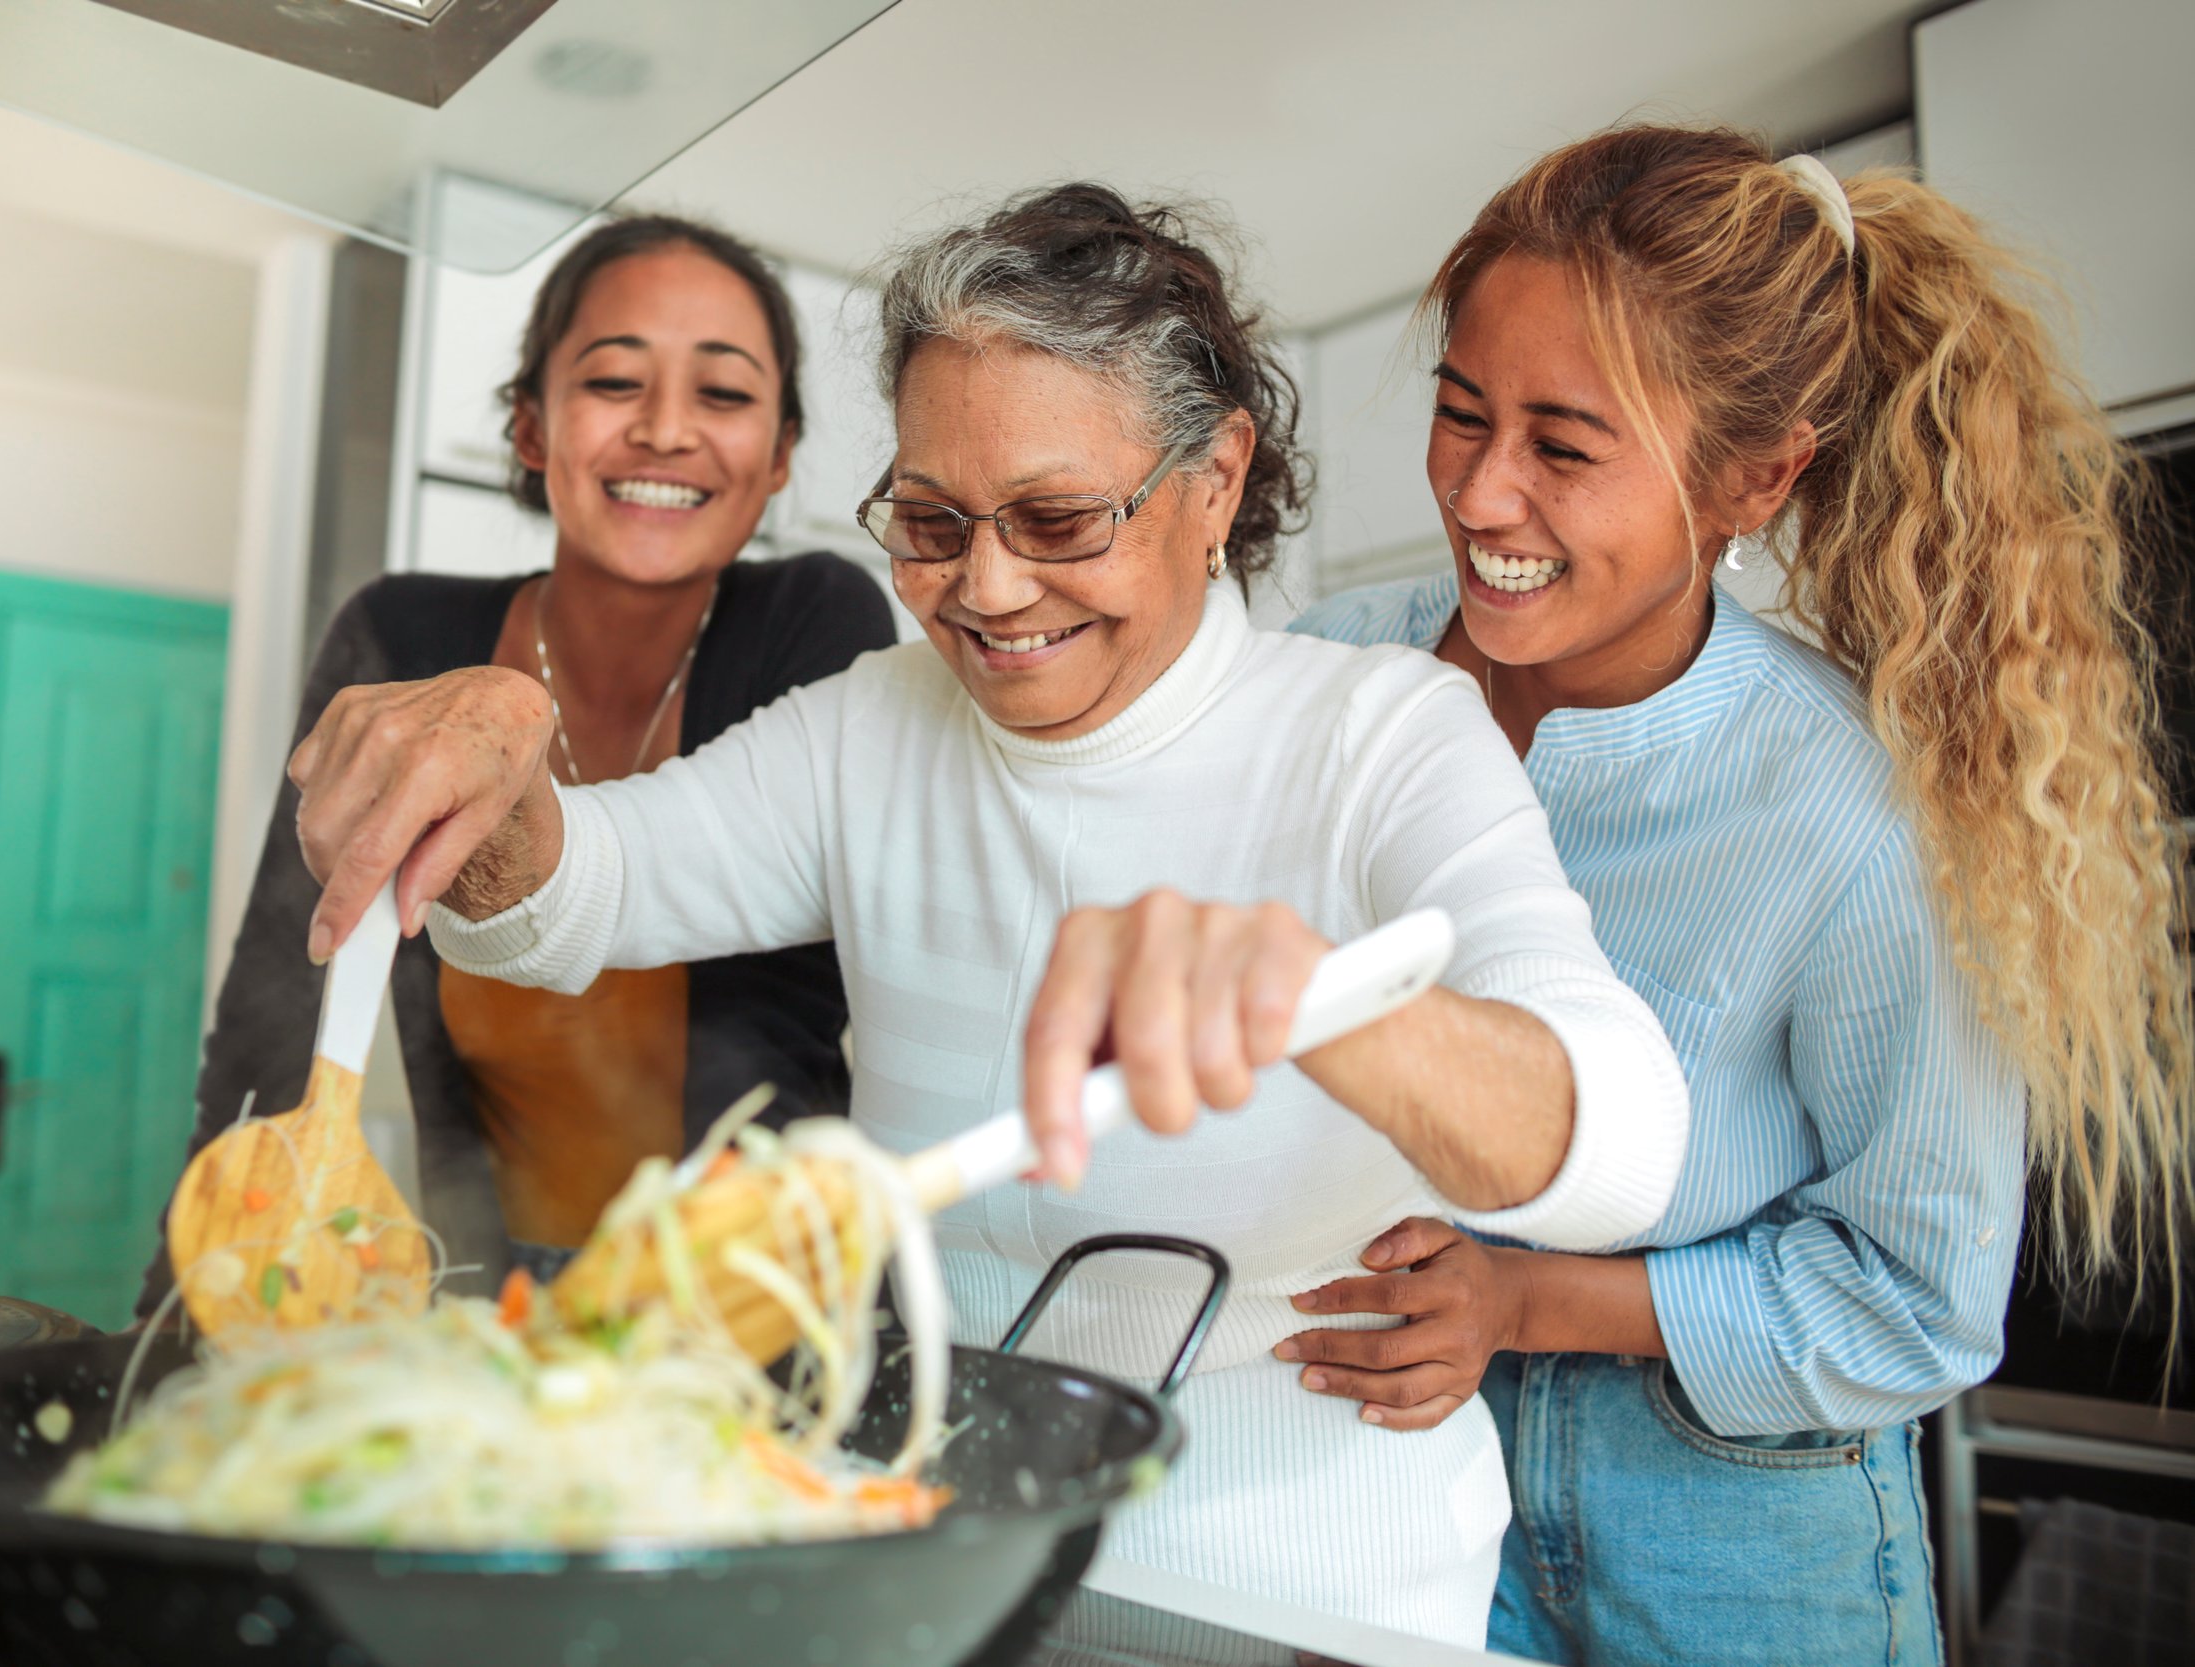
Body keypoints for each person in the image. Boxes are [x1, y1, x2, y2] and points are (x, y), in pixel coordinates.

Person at [282, 183, 1689, 1646]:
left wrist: (1323, 996)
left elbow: (1626, 1142)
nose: (989, 590)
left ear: (1215, 479)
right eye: (934, 522)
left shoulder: (1382, 735)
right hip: (939, 1545)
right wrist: (500, 761)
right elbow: (579, 899)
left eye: (1060, 517)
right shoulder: (874, 726)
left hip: (1294, 1579)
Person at [1288, 124, 2194, 1664]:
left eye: (1565, 447)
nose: (1484, 493)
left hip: (1734, 1522)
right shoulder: (1331, 669)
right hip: (1391, 1465)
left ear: (1754, 481)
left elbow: (1917, 1303)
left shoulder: (1850, 811)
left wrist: (1523, 1296)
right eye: (1461, 413)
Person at [143, 215, 896, 1310]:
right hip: (487, 1286)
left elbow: (789, 1024)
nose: (666, 430)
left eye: (725, 395)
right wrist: (172, 1317)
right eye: (612, 381)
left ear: (779, 456)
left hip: (743, 1284)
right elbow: (281, 993)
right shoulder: (401, 636)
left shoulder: (815, 616)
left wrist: (701, 1310)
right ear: (531, 426)